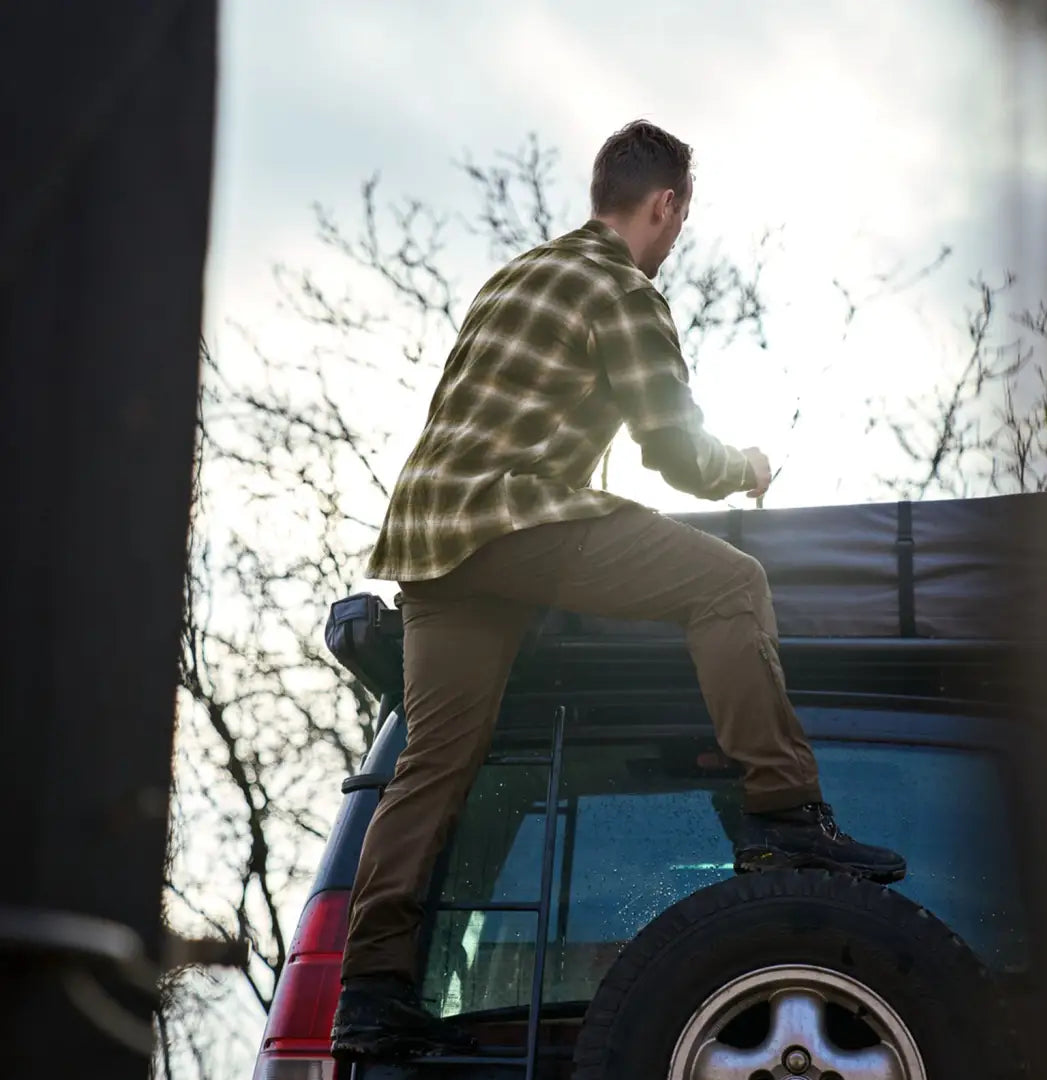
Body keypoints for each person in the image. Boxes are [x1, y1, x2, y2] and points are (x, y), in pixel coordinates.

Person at [330, 119, 906, 1062]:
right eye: (679, 219)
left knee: (433, 762)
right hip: (518, 520)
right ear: (664, 204)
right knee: (729, 584)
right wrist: (747, 465)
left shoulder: (515, 276)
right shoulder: (621, 287)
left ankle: (371, 990)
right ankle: (786, 818)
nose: (674, 240)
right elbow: (673, 451)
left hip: (432, 540)